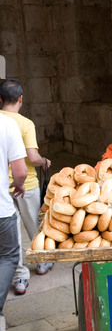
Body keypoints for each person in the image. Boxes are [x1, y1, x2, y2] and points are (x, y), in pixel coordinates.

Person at [0, 79, 54, 296]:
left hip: (4, 187)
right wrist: (44, 161)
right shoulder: (24, 123)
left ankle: (20, 276)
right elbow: (32, 157)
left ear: (0, 100)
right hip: (25, 184)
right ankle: (42, 262)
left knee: (12, 233)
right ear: (21, 99)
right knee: (34, 225)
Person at [0, 113, 27, 331]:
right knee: (8, 258)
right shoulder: (7, 124)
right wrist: (19, 185)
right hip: (0, 210)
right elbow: (20, 171)